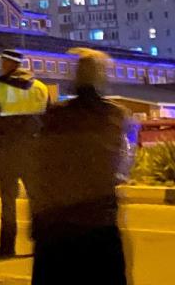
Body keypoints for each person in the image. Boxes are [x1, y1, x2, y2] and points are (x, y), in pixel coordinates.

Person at [30, 48, 134, 285]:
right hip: (97, 224)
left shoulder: (54, 117)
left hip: (56, 228)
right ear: (103, 78)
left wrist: (38, 222)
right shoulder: (115, 117)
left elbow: (40, 170)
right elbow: (121, 166)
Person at [0, 49, 50, 257]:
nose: (1, 65)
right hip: (34, 150)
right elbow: (50, 119)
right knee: (37, 198)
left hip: (8, 150)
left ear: (10, 64)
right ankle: (42, 243)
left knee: (8, 199)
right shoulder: (40, 87)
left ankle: (7, 246)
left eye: (3, 62)